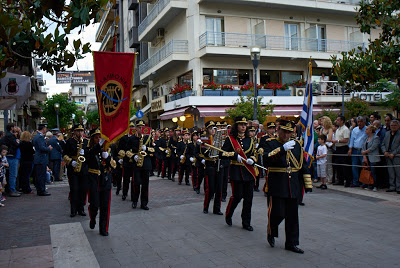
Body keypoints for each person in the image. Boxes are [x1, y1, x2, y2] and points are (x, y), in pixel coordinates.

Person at [262, 119, 312, 254]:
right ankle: (271, 232)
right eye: (284, 132)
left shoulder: (297, 145)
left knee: (292, 215)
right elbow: (266, 159)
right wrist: (281, 150)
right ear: (278, 130)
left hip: (293, 184)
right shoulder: (270, 143)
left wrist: (307, 184)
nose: (286, 135)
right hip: (277, 183)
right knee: (277, 213)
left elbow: (302, 165)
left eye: (289, 132)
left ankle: (292, 242)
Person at [222, 116, 257, 231]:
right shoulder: (230, 139)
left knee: (248, 199)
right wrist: (234, 155)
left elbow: (254, 153)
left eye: (245, 124)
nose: (243, 127)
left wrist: (252, 159)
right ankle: (229, 213)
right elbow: (222, 154)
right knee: (237, 196)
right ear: (236, 126)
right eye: (241, 124)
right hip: (236, 172)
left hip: (248, 172)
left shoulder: (250, 140)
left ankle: (246, 222)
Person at [86, 128, 114, 236]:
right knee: (94, 204)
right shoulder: (89, 149)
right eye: (97, 137)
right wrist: (99, 147)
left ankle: (103, 229)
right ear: (93, 139)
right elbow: (88, 156)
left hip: (105, 179)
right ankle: (92, 218)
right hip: (94, 179)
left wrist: (107, 158)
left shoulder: (108, 149)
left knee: (105, 206)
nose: (99, 139)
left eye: (100, 137)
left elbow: (113, 165)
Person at [197, 120, 223, 215]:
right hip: (210, 165)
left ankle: (217, 208)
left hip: (219, 164)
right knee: (210, 188)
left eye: (214, 128)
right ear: (207, 129)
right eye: (210, 128)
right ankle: (206, 207)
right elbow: (204, 152)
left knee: (219, 189)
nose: (213, 130)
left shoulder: (219, 139)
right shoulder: (204, 139)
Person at [63, 124, 88, 216]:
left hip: (83, 169)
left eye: (81, 131)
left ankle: (81, 208)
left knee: (83, 189)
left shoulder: (86, 142)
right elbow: (64, 155)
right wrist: (71, 161)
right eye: (78, 131)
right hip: (73, 169)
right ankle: (73, 209)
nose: (80, 132)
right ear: (74, 132)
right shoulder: (70, 141)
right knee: (74, 189)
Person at [130, 120, 153, 210]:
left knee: (145, 185)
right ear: (136, 128)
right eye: (139, 127)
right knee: (136, 184)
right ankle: (135, 201)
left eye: (142, 127)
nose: (141, 129)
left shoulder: (148, 138)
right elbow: (127, 151)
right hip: (136, 164)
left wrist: (146, 148)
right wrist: (133, 156)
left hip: (146, 163)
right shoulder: (132, 138)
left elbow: (153, 149)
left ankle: (144, 203)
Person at [33, 123, 53, 196]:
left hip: (39, 158)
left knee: (39, 175)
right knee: (41, 175)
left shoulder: (36, 136)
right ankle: (41, 190)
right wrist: (49, 148)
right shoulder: (40, 137)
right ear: (43, 128)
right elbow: (41, 148)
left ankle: (40, 189)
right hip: (41, 158)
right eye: (45, 128)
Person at [381, 120, 400, 193]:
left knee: (398, 173)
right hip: (388, 155)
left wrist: (394, 153)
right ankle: (392, 186)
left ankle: (398, 187)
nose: (393, 127)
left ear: (398, 126)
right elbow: (382, 144)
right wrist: (385, 151)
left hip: (396, 156)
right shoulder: (387, 134)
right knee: (391, 172)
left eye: (395, 125)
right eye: (392, 125)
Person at [348, 116, 367, 187]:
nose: (359, 123)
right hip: (355, 150)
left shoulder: (367, 129)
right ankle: (355, 181)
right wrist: (350, 149)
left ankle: (364, 182)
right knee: (354, 166)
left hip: (363, 150)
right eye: (358, 122)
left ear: (364, 122)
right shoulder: (354, 130)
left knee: (363, 166)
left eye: (361, 121)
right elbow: (352, 140)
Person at [332, 115, 351, 186]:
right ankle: (340, 180)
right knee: (338, 165)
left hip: (343, 148)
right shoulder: (338, 129)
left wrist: (337, 141)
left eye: (338, 120)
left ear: (342, 121)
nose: (336, 121)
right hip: (338, 148)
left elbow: (346, 140)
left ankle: (347, 181)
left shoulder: (345, 129)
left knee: (344, 165)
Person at [117, 122, 135, 200]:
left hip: (134, 161)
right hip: (126, 160)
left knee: (134, 180)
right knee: (126, 179)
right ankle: (124, 193)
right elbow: (119, 149)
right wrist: (122, 155)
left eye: (132, 127)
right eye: (130, 127)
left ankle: (133, 195)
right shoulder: (123, 138)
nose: (131, 129)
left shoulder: (135, 138)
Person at [3, 123, 20, 197]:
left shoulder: (6, 136)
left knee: (8, 174)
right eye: (14, 127)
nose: (15, 128)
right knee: (13, 174)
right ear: (11, 128)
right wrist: (18, 142)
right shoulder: (11, 136)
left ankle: (9, 189)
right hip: (12, 156)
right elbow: (16, 145)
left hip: (9, 156)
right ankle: (12, 190)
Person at [361, 125, 380, 191]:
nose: (365, 130)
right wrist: (364, 156)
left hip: (373, 157)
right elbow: (363, 147)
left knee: (373, 171)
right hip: (367, 157)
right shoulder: (365, 138)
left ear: (371, 130)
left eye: (367, 129)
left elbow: (373, 147)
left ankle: (375, 185)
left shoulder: (376, 138)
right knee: (368, 171)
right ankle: (369, 184)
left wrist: (365, 152)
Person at [321, 116, 334, 183]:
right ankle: (324, 178)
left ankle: (330, 178)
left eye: (322, 121)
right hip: (322, 147)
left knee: (329, 164)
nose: (321, 123)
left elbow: (329, 138)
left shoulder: (330, 129)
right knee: (323, 164)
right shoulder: (322, 129)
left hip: (328, 147)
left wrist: (323, 139)